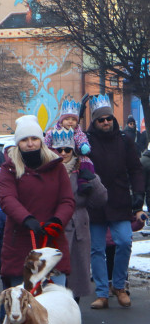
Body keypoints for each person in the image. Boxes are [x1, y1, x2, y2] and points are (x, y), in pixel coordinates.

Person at [0, 115, 75, 289]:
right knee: (23, 299)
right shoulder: (9, 169)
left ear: (41, 140)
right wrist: (27, 219)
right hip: (21, 240)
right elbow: (7, 198)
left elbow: (67, 200)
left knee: (55, 297)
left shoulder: (57, 167)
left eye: (34, 138)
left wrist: (57, 220)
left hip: (52, 238)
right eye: (24, 140)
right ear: (18, 143)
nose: (30, 143)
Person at [84, 95, 146, 308]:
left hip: (120, 201)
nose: (105, 122)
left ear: (113, 119)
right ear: (94, 121)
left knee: (125, 242)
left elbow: (136, 169)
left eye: (108, 118)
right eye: (101, 120)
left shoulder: (124, 140)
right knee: (97, 250)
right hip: (95, 202)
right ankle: (102, 293)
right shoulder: (86, 141)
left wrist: (139, 195)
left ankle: (119, 286)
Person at [45, 127, 108, 301]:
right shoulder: (47, 170)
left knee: (76, 277)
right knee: (55, 276)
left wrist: (93, 180)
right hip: (55, 227)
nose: (63, 153)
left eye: (68, 149)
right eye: (59, 149)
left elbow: (100, 200)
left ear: (73, 150)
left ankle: (73, 310)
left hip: (78, 226)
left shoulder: (82, 170)